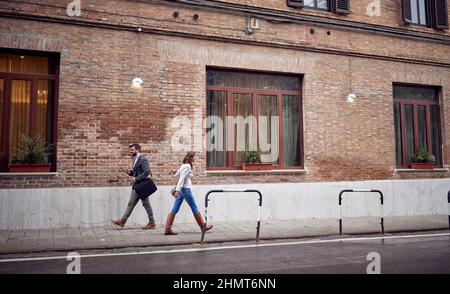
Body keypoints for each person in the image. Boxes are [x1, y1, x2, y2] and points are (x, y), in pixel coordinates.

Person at [164, 152, 213, 235]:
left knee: (175, 207)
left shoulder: (183, 165)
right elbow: (181, 178)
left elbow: (177, 175)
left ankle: (167, 228)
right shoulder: (187, 166)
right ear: (190, 158)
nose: (195, 158)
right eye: (194, 157)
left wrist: (173, 174)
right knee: (194, 207)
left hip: (182, 189)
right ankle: (202, 227)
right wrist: (177, 191)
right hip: (185, 190)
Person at [112, 144, 156, 230]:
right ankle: (123, 221)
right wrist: (128, 172)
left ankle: (151, 222)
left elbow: (146, 171)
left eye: (132, 150)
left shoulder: (143, 159)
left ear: (137, 150)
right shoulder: (135, 160)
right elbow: (136, 173)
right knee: (135, 203)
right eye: (130, 150)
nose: (130, 151)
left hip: (142, 186)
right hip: (137, 186)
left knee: (143, 204)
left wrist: (136, 178)